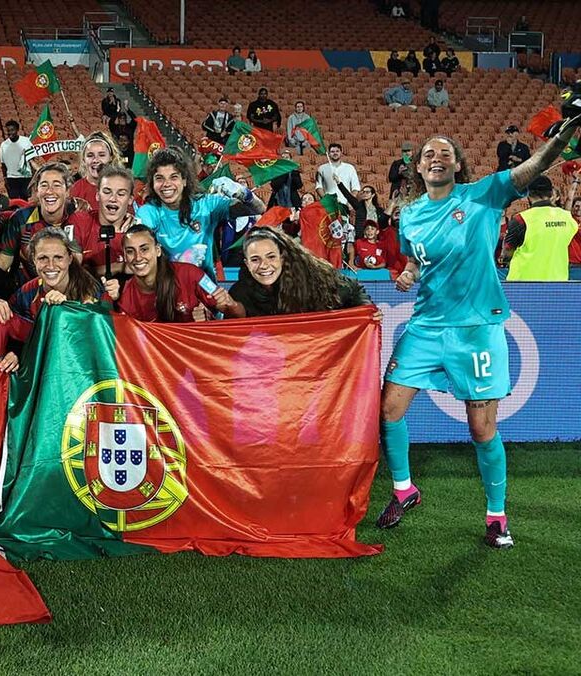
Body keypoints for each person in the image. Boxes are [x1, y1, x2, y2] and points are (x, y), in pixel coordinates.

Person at [376, 120, 581, 549]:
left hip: (476, 331)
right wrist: (408, 274)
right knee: (389, 410)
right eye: (428, 154)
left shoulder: (483, 195)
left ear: (458, 165)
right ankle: (404, 490)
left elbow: (533, 166)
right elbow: (415, 261)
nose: (436, 158)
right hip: (425, 326)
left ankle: (496, 516)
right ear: (418, 167)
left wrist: (560, 138)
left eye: (445, 153)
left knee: (482, 429)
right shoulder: (409, 215)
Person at [136, 146, 265, 279]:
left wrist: (243, 193)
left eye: (173, 177)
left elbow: (258, 208)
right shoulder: (148, 212)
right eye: (159, 178)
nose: (166, 184)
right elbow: (140, 242)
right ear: (152, 183)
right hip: (167, 288)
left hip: (205, 288)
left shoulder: (206, 205)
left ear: (184, 180)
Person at [225, 227, 371, 317]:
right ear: (247, 263)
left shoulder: (313, 277)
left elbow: (354, 290)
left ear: (282, 257)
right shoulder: (240, 292)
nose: (264, 265)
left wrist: (366, 310)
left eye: (271, 257)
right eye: (255, 259)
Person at [118, 225, 234, 323]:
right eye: (130, 251)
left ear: (158, 251)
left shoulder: (191, 274)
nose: (138, 257)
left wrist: (227, 306)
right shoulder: (124, 296)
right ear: (125, 256)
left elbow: (232, 312)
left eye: (144, 249)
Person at [10, 227, 118, 321]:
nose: (51, 266)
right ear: (34, 260)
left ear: (70, 259)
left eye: (58, 257)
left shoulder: (92, 290)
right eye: (43, 258)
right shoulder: (26, 294)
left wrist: (68, 310)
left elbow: (104, 330)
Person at [501, 176, 578, 280]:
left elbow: (506, 255)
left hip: (522, 283)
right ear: (551, 194)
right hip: (557, 282)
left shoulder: (521, 219)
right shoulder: (567, 218)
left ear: (528, 194)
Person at [70, 132, 121, 209]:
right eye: (90, 155)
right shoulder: (74, 190)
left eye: (101, 155)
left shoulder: (121, 188)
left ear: (111, 157)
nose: (96, 160)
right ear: (83, 159)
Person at [315, 143, 361, 207]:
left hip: (346, 203)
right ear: (329, 153)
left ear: (341, 152)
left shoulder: (350, 168)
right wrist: (327, 200)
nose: (335, 153)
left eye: (337, 151)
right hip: (329, 205)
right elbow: (318, 187)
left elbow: (355, 187)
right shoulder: (321, 168)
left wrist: (350, 201)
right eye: (332, 151)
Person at [0, 120, 33, 200]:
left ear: (17, 130)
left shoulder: (26, 141)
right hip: (11, 178)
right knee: (14, 202)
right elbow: (3, 164)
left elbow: (32, 160)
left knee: (25, 201)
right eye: (8, 130)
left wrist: (33, 177)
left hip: (25, 177)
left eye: (12, 130)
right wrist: (5, 179)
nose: (10, 132)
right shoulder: (4, 145)